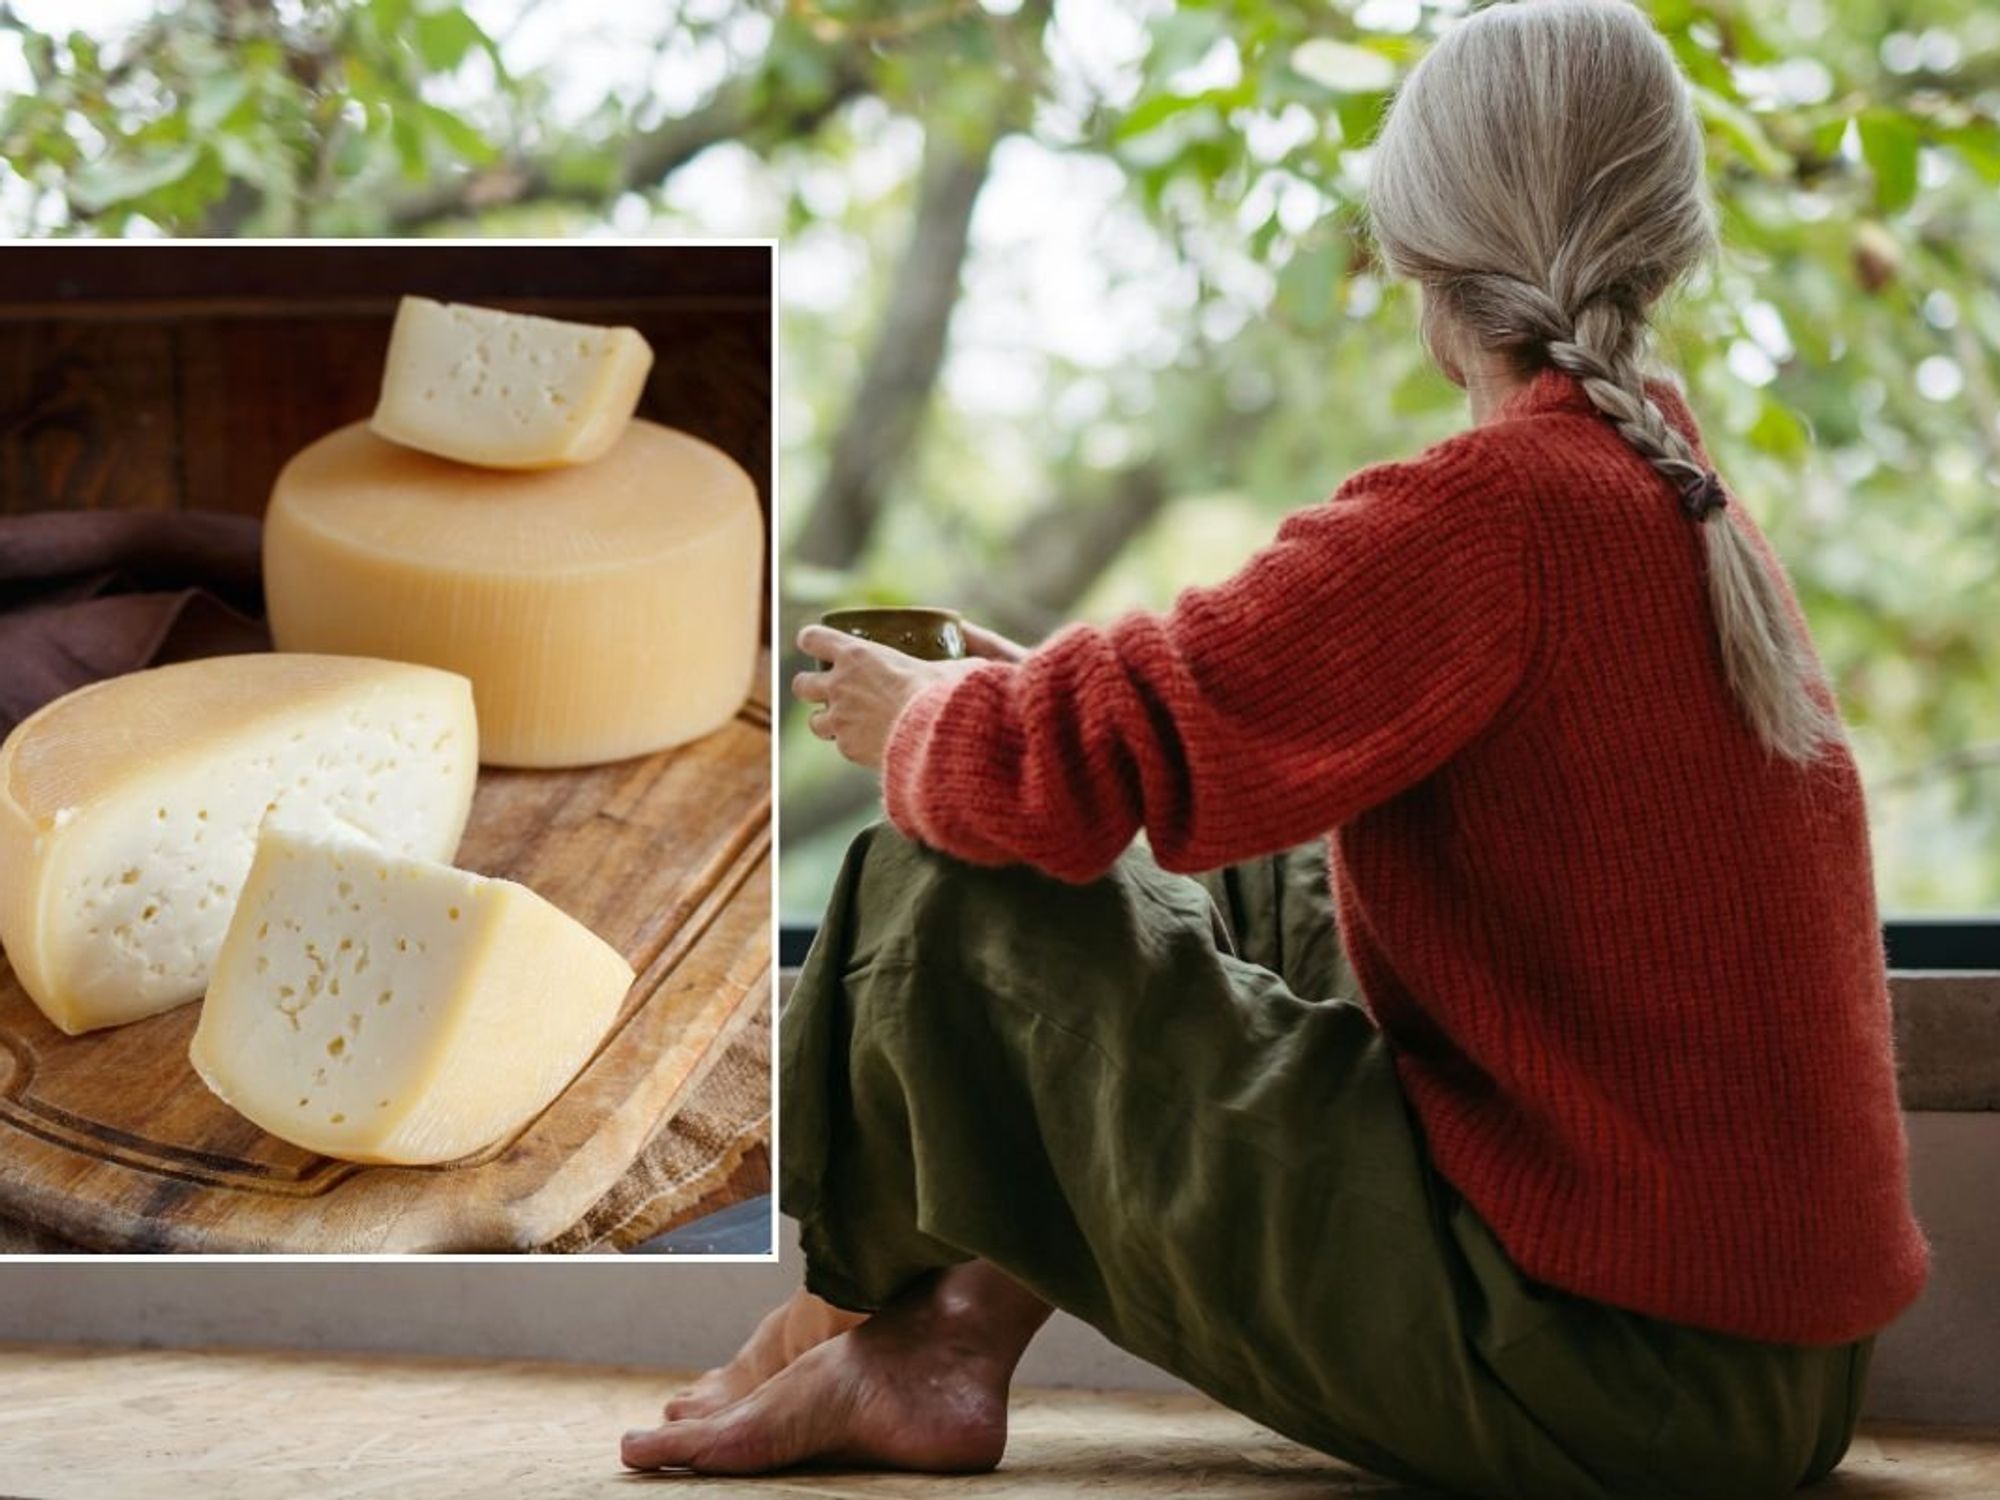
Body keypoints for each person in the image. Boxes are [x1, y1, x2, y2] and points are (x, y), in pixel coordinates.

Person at [621, 0, 1927, 1492]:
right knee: (1275, 876)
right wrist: (1042, 701)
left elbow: (1050, 778)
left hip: (1608, 1376)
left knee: (954, 884)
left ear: (1420, 252)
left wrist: (929, 724)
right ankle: (950, 1343)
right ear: (1670, 233)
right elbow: (1214, 727)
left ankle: (832, 1322)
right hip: (1774, 1371)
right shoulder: (1671, 496)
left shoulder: (1497, 508)